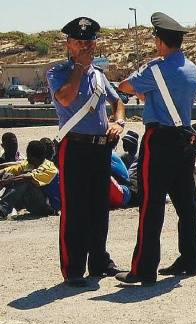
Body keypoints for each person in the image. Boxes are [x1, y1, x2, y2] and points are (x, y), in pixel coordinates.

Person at [116, 12, 196, 285]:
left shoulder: (155, 69)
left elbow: (125, 86)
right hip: (185, 139)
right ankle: (190, 259)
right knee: (186, 204)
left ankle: (143, 268)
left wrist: (147, 82)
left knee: (151, 205)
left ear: (160, 41)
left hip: (160, 140)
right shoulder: (192, 68)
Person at [47, 17, 125, 287]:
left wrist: (119, 121)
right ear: (69, 45)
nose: (85, 46)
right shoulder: (58, 72)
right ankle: (74, 268)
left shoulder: (100, 77)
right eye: (79, 42)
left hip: (100, 149)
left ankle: (99, 261)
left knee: (99, 208)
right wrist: (80, 68)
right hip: (75, 147)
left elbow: (118, 103)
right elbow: (66, 98)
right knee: (75, 209)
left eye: (89, 42)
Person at [0, 140, 59, 218]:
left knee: (24, 180)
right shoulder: (29, 164)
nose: (26, 157)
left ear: (32, 156)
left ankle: (2, 209)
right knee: (9, 175)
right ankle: (6, 208)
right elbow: (12, 169)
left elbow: (27, 177)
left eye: (28, 154)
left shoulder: (49, 168)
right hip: (33, 202)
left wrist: (6, 182)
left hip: (48, 206)